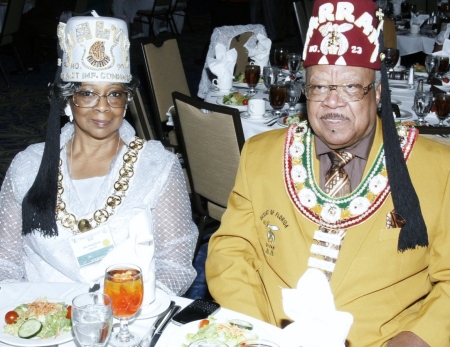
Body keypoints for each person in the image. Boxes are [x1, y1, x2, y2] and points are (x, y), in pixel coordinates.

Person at [205, 0, 450, 346]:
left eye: (350, 87)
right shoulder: (261, 156)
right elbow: (231, 250)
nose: (332, 103)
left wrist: (417, 337)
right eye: (318, 87)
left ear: (378, 93)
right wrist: (258, 331)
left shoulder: (437, 169)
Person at [0, 13, 198, 297]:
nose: (103, 107)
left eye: (114, 94)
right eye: (88, 94)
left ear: (127, 100)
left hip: (127, 314)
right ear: (69, 98)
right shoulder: (29, 167)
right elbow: (4, 260)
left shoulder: (156, 166)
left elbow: (174, 264)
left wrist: (139, 313)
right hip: (44, 316)